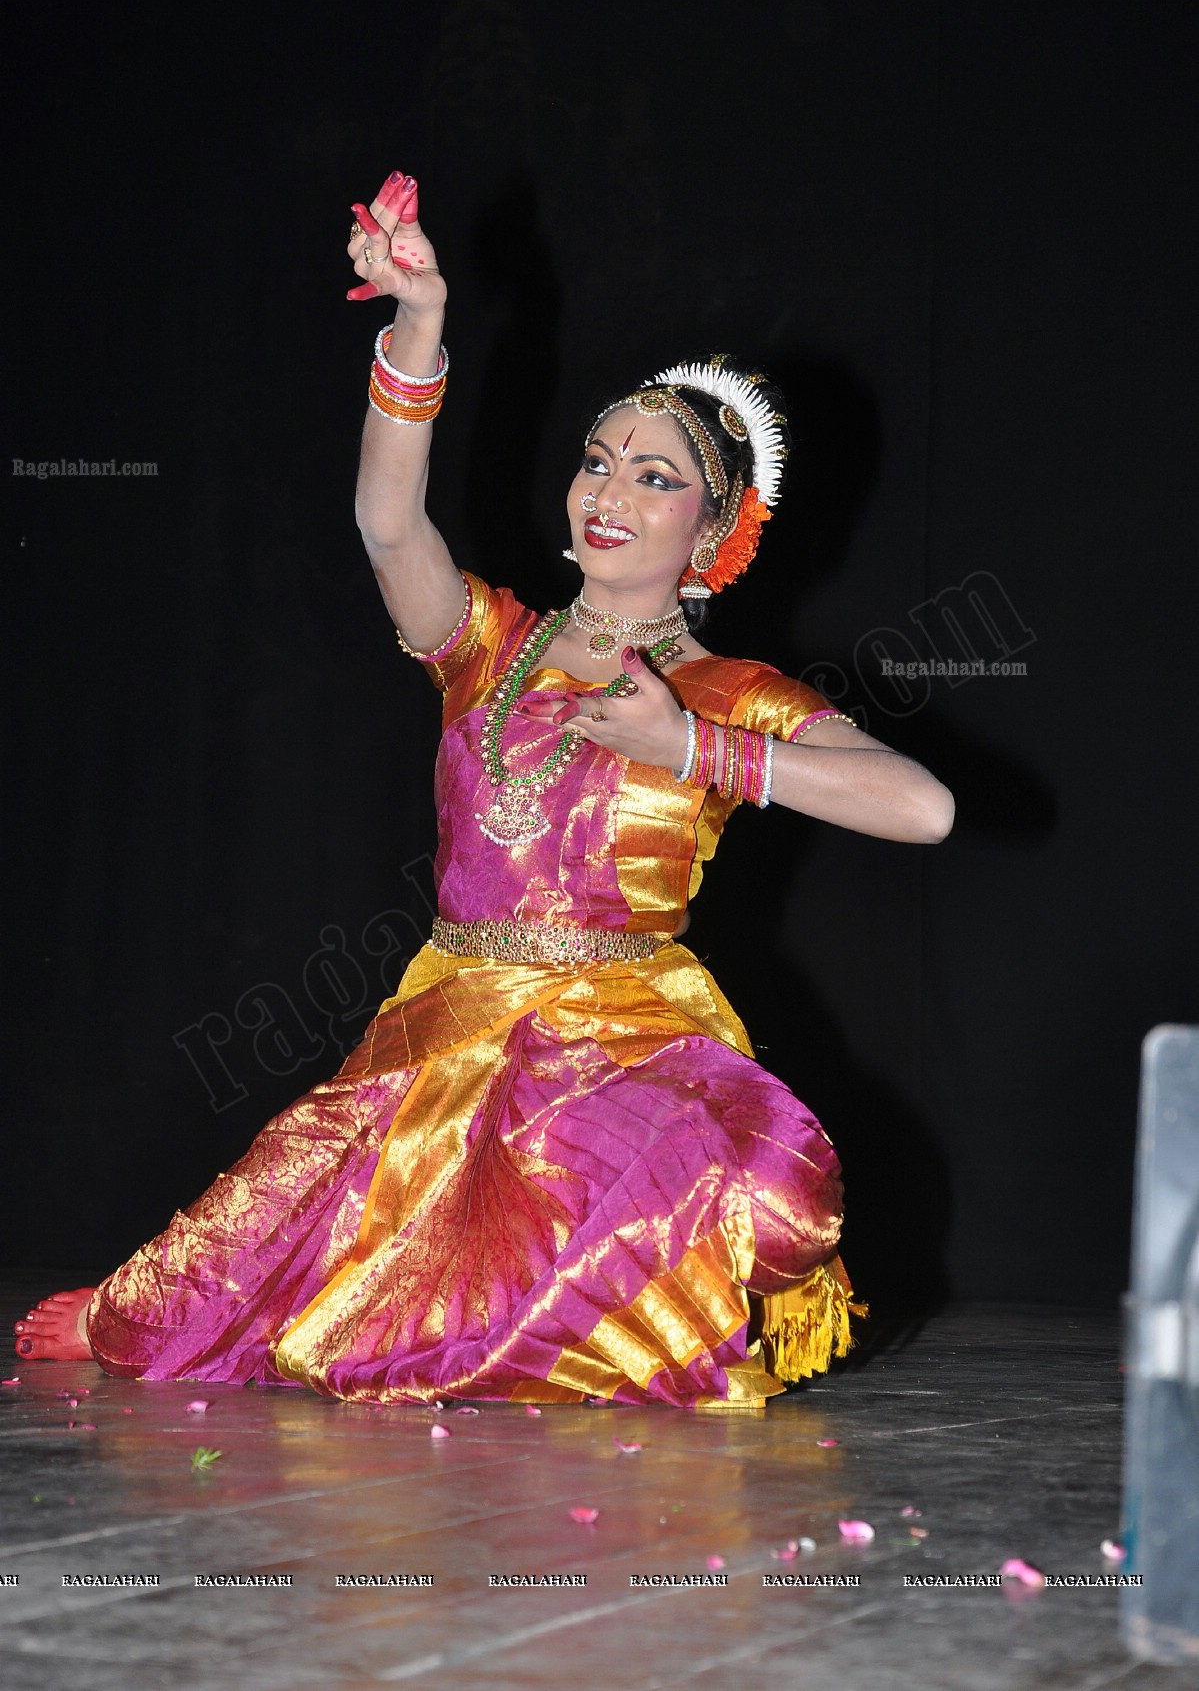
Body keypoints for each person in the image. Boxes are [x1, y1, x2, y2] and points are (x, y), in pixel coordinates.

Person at [14, 171, 954, 1407]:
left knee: (765, 1186)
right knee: (226, 1276)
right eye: (599, 460)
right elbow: (385, 520)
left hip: (622, 1039)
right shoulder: (488, 641)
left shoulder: (728, 692)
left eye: (655, 479)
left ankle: (561, 1320)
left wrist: (689, 751)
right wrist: (416, 323)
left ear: (711, 531)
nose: (609, 493)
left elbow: (921, 806)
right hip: (448, 1026)